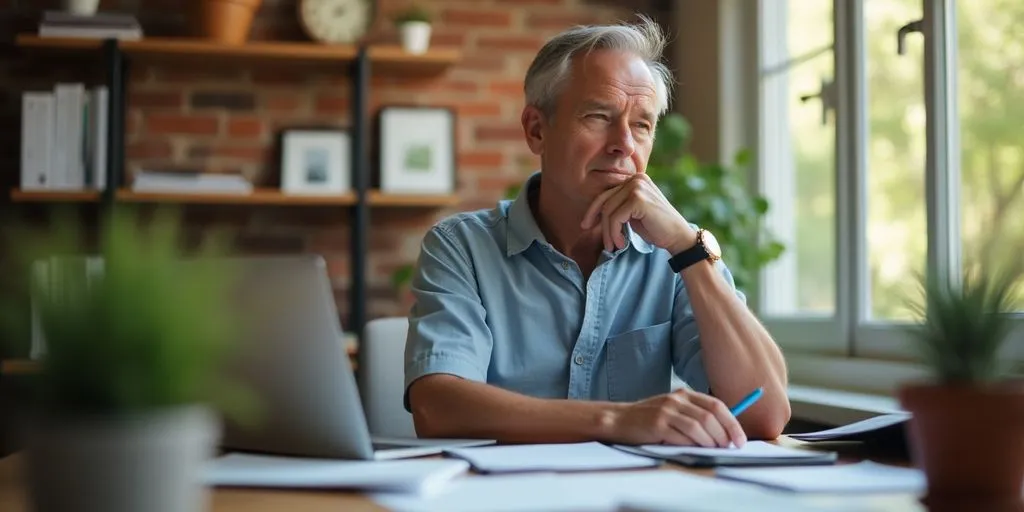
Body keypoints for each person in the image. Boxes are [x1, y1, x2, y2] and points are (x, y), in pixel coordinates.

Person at [402, 15, 790, 448]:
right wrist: (617, 420)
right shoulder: (461, 247)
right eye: (599, 116)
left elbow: (766, 414)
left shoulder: (677, 254)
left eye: (642, 125)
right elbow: (437, 406)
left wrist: (689, 249)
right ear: (536, 129)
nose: (624, 143)